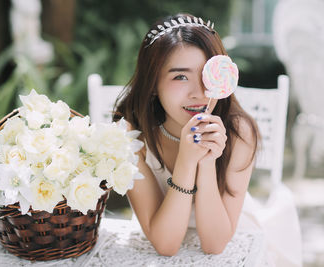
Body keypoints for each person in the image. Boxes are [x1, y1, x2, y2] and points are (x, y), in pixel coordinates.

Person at [114, 13, 302, 266]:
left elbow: (215, 245)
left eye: (206, 75)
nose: (199, 93)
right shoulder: (130, 135)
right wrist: (186, 162)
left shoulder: (239, 133)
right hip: (162, 232)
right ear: (153, 83)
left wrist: (205, 162)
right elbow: (166, 244)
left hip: (231, 235)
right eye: (180, 76)